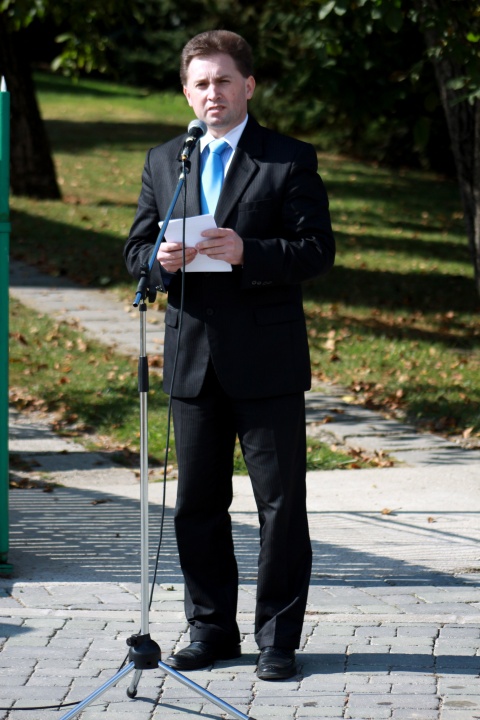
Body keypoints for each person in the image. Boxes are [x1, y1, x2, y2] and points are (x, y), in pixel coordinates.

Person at [124, 29, 335, 681]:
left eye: (222, 80)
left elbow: (316, 250)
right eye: (200, 83)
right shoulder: (167, 160)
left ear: (248, 85)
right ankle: (211, 630)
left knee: (280, 506)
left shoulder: (287, 159)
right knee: (196, 506)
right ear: (186, 93)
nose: (211, 93)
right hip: (192, 358)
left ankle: (278, 639)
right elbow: (135, 251)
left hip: (267, 359)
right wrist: (158, 263)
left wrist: (249, 252)